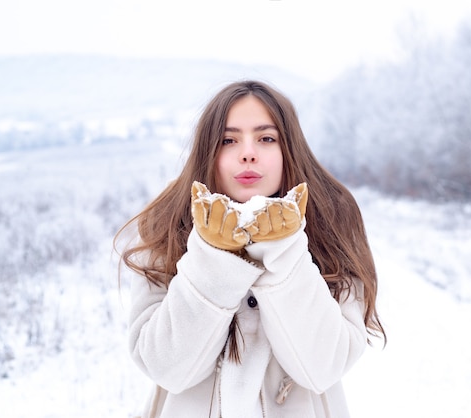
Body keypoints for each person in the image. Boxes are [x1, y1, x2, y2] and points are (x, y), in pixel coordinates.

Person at [115, 80, 385, 418]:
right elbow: (166, 367)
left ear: (290, 150)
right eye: (229, 140)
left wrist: (285, 252)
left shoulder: (331, 221)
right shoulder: (169, 225)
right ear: (208, 152)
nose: (248, 152)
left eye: (266, 138)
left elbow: (323, 367)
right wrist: (213, 257)